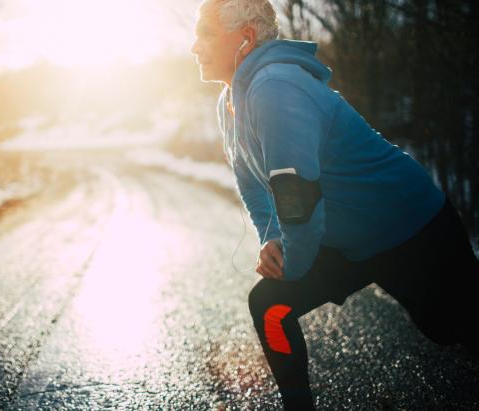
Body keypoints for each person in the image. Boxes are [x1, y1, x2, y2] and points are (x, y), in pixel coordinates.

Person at [190, 0, 479, 409]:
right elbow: (254, 186)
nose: (194, 47)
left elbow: (297, 197)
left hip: (410, 227)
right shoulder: (230, 102)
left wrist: (296, 262)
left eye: (204, 34)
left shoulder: (276, 87)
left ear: (246, 38)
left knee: (456, 327)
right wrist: (273, 238)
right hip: (344, 239)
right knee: (270, 304)